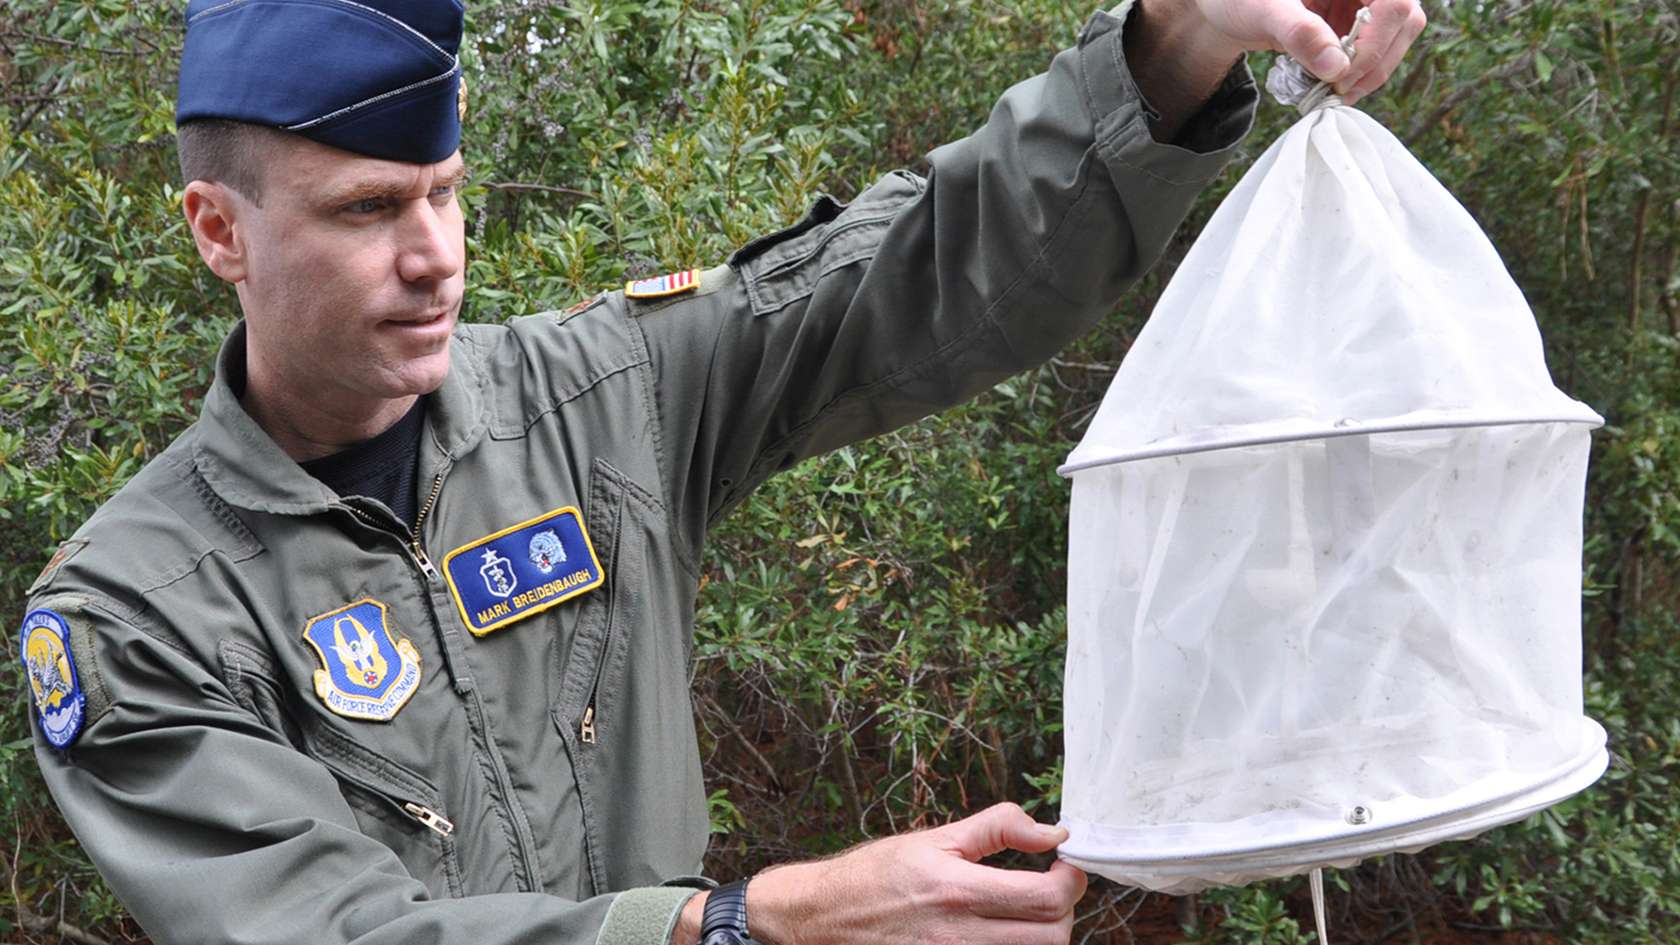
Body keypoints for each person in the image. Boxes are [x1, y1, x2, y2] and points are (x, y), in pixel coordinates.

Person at [18, 0, 1424, 943]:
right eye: (367, 209)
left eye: (446, 191)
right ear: (219, 230)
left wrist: (1175, 48)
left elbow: (905, 271)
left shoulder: (592, 398)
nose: (436, 252)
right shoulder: (132, 616)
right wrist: (756, 921)